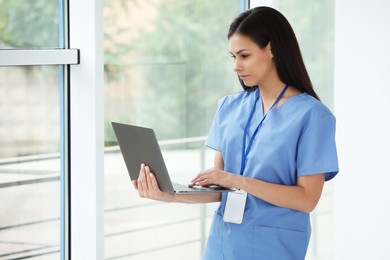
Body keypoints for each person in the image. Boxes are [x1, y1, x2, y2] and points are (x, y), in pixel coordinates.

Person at [132, 6, 338, 260]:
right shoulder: (229, 107)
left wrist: (239, 181)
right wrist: (171, 195)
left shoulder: (313, 116)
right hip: (223, 243)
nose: (236, 66)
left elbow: (307, 199)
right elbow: (219, 187)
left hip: (273, 247)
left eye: (244, 55)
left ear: (271, 49)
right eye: (233, 57)